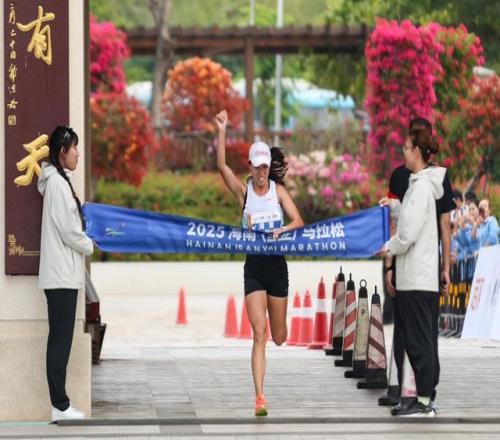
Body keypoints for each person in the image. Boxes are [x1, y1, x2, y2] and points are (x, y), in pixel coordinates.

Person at [214, 110, 303, 416]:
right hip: (253, 268)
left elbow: (298, 221)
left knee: (278, 337)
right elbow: (222, 167)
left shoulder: (278, 192)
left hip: (277, 268)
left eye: (266, 166)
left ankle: (282, 327)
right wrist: (222, 131)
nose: (262, 171)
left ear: (268, 167)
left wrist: (283, 230)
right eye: (257, 166)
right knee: (259, 333)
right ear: (250, 166)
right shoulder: (244, 192)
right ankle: (260, 397)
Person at [379, 117, 455, 414]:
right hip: (418, 276)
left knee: (419, 341)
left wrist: (389, 248)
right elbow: (411, 219)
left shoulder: (422, 186)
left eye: (407, 147)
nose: (403, 151)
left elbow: (407, 234)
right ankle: (420, 397)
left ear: (418, 152)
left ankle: (424, 400)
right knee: (418, 339)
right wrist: (394, 206)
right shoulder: (419, 185)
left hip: (418, 277)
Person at [38, 126, 94, 422]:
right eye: (74, 149)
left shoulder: (60, 182)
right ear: (62, 152)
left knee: (61, 339)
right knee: (60, 341)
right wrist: (90, 244)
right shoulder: (58, 186)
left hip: (63, 274)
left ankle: (59, 404)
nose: (78, 154)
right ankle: (60, 405)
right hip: (60, 276)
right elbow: (69, 231)